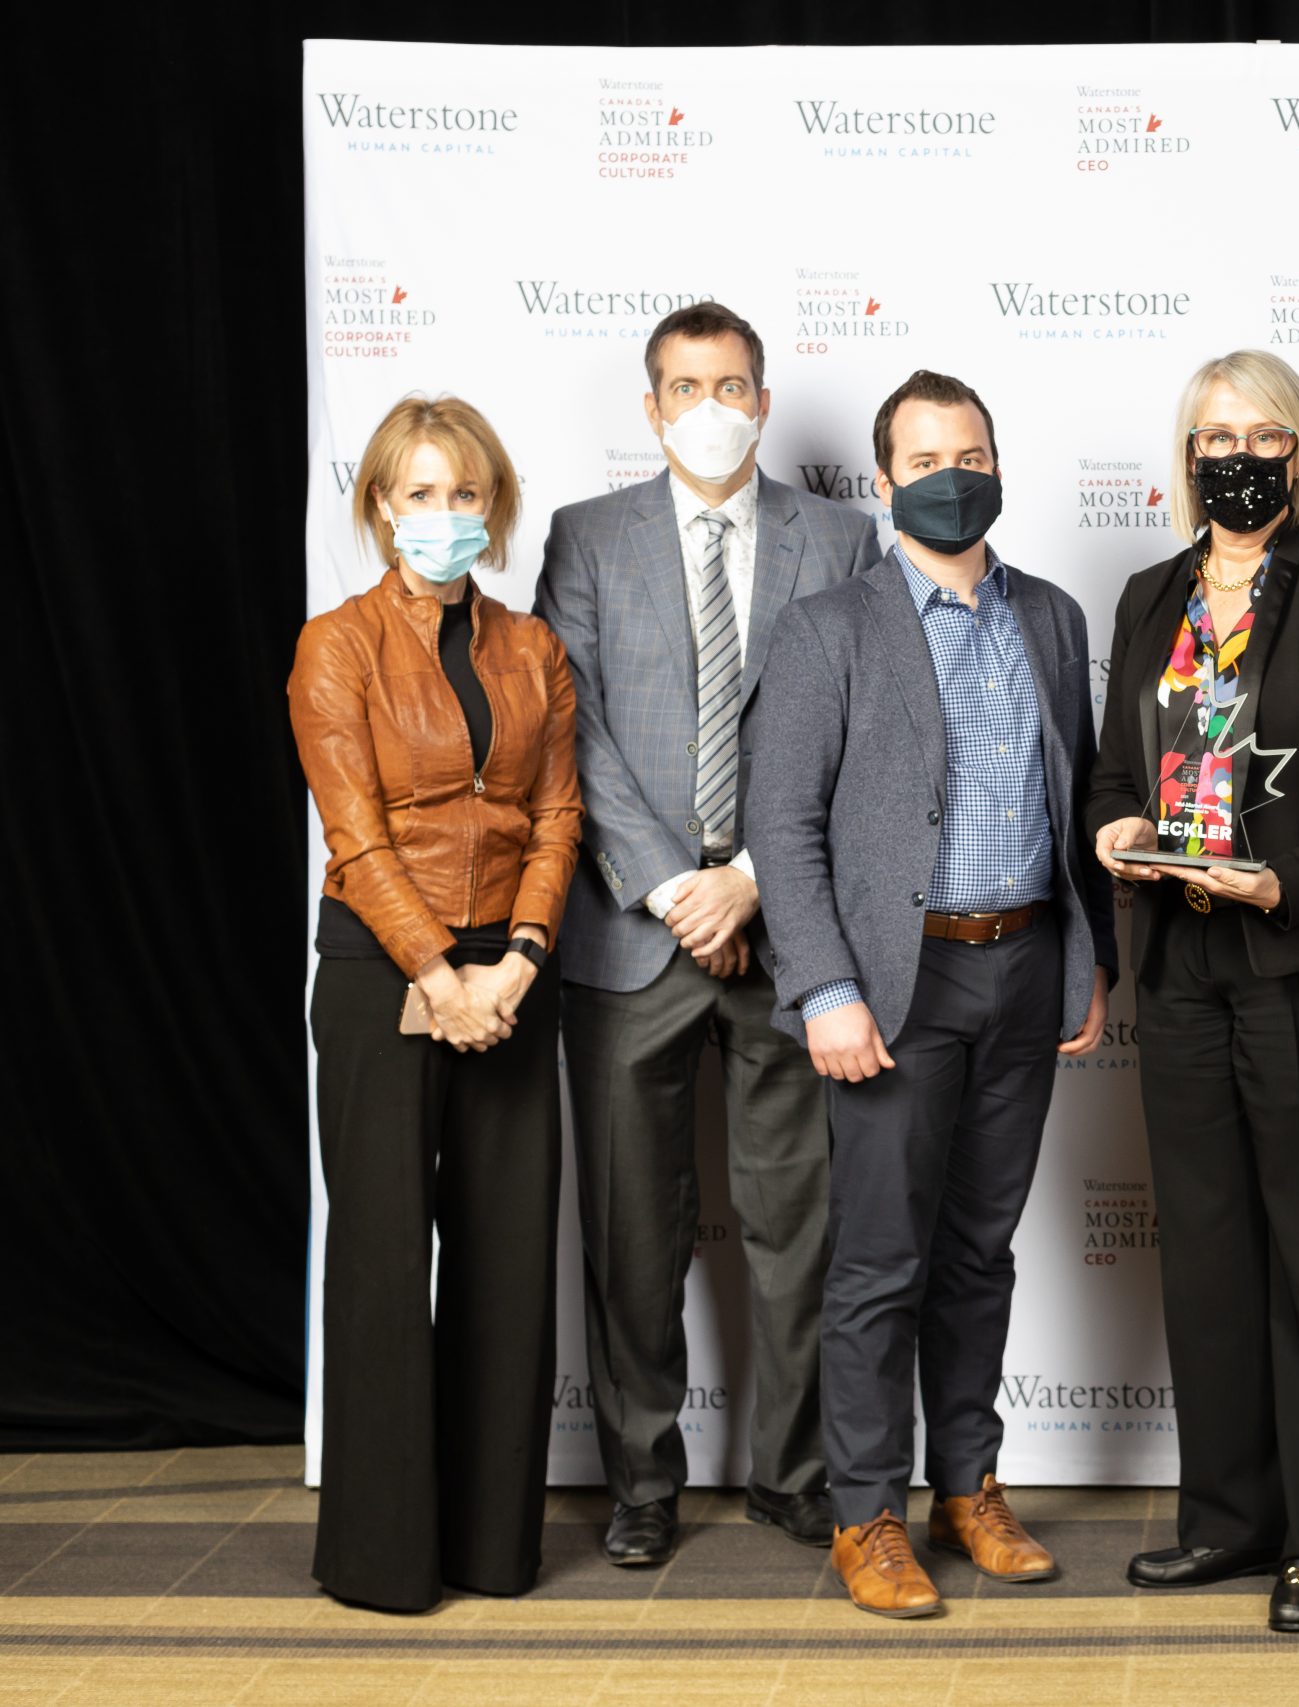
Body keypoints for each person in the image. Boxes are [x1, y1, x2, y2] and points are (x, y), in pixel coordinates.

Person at [749, 368, 1116, 1620]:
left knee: (979, 1254)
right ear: (887, 478)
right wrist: (826, 989)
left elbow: (1075, 815)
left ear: (999, 464)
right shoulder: (827, 629)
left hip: (1023, 970)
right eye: (925, 458)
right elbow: (783, 827)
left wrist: (1084, 963)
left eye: (973, 451)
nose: (952, 474)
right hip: (895, 989)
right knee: (878, 1265)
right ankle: (866, 1514)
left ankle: (970, 1484)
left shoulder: (1054, 619)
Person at [1088, 351, 1299, 1636]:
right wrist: (1116, 831)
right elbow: (1112, 770)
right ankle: (1227, 1519)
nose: (1238, 453)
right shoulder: (1148, 596)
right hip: (1181, 967)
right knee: (1213, 1258)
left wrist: (1284, 881)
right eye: (1214, 433)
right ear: (1186, 454)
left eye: (1263, 433)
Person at [533, 302, 881, 1568]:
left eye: (731, 383)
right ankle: (640, 1480)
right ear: (651, 406)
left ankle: (792, 1475)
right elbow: (568, 727)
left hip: (789, 936)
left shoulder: (840, 538)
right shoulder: (586, 537)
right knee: (633, 1230)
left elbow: (849, 731)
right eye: (685, 386)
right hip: (631, 941)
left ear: (766, 397)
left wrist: (750, 884)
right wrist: (679, 888)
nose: (711, 406)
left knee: (801, 1228)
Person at [289, 394, 582, 1612]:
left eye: (466, 495)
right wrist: (436, 974)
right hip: (381, 977)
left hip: (511, 978)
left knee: (510, 1269)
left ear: (494, 507)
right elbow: (352, 838)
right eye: (420, 494)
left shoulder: (532, 648)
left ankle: (489, 1548)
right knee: (377, 1262)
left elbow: (558, 813)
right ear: (379, 507)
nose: (444, 516)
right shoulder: (335, 645)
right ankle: (381, 1558)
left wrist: (516, 956)